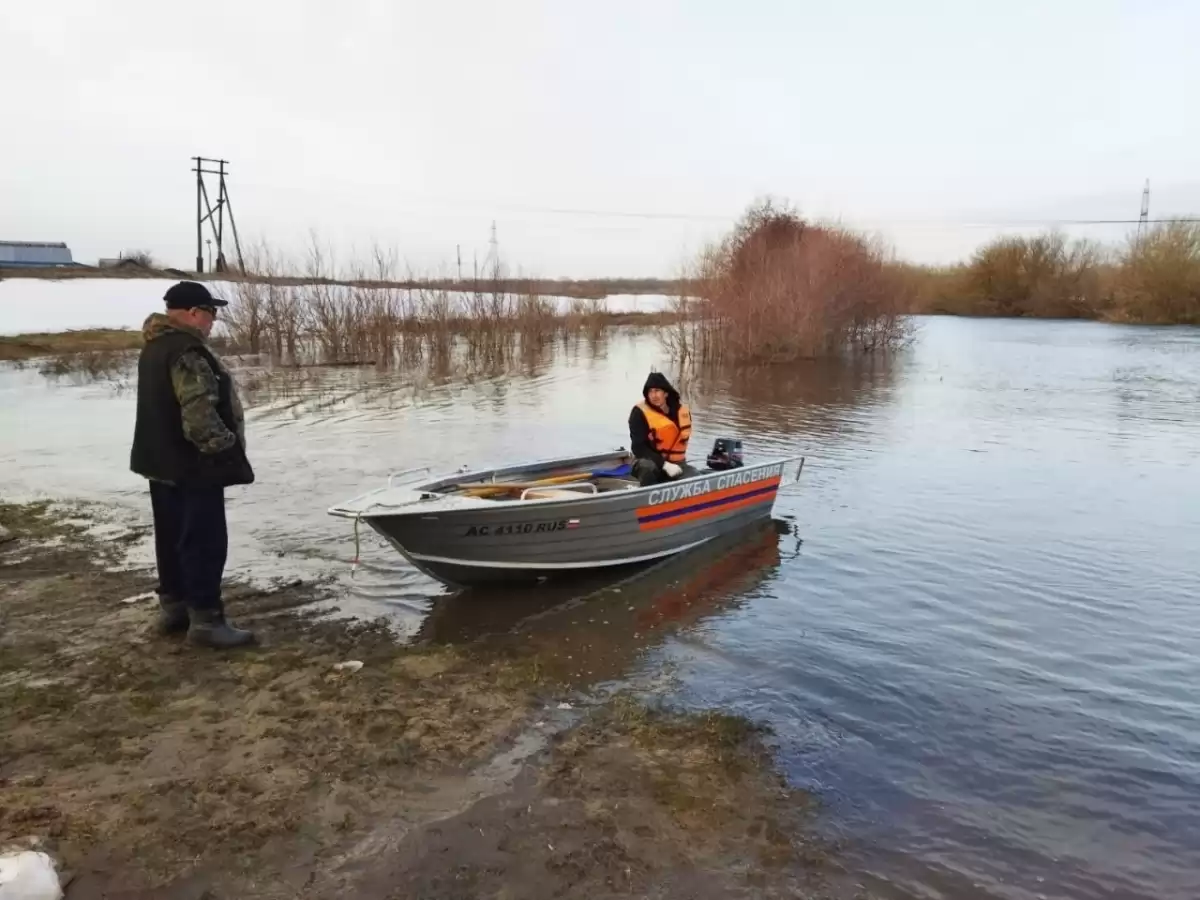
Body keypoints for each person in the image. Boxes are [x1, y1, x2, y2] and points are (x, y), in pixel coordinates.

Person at [130, 281, 256, 648]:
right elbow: (199, 413)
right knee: (203, 540)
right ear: (194, 313)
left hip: (158, 463)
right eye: (211, 313)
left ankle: (175, 609)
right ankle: (206, 621)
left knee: (170, 537)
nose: (213, 321)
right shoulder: (187, 350)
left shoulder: (154, 347)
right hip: (192, 466)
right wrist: (226, 452)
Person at [628, 372, 693, 487]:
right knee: (648, 467)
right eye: (650, 392)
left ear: (666, 393)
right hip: (648, 462)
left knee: (695, 479)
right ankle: (646, 497)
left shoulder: (682, 412)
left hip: (677, 464)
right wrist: (664, 465)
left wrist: (672, 465)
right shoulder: (638, 413)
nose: (653, 396)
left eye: (657, 391)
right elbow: (638, 448)